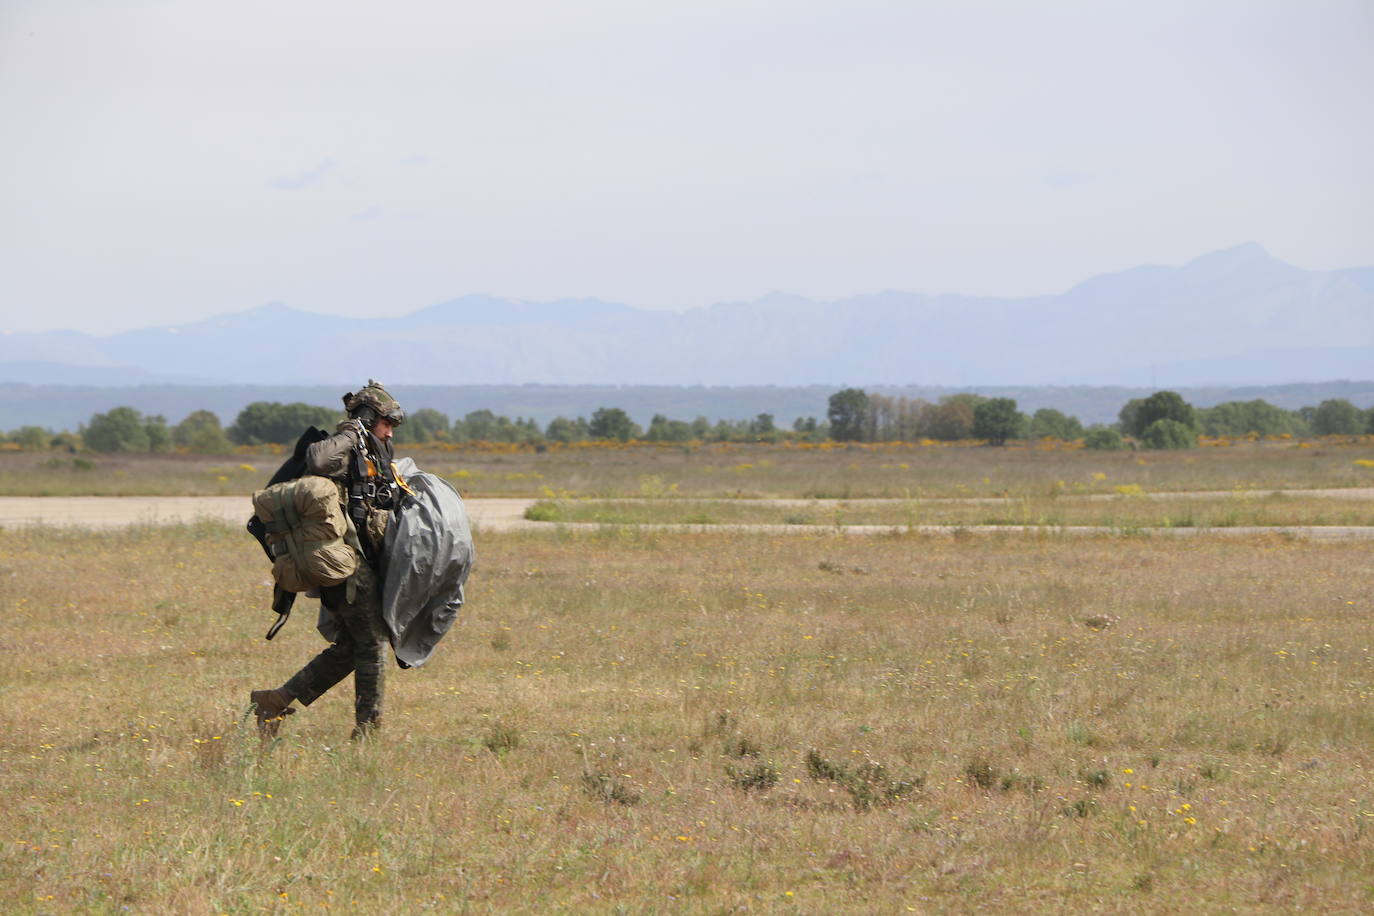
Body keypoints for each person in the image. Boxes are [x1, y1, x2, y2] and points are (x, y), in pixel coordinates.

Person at [250, 380, 407, 739]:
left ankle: (275, 701)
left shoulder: (371, 451)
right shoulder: (346, 445)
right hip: (345, 563)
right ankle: (367, 733)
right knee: (371, 643)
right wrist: (355, 429)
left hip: (354, 559)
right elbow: (318, 459)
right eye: (386, 422)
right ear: (369, 417)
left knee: (354, 645)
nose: (390, 430)